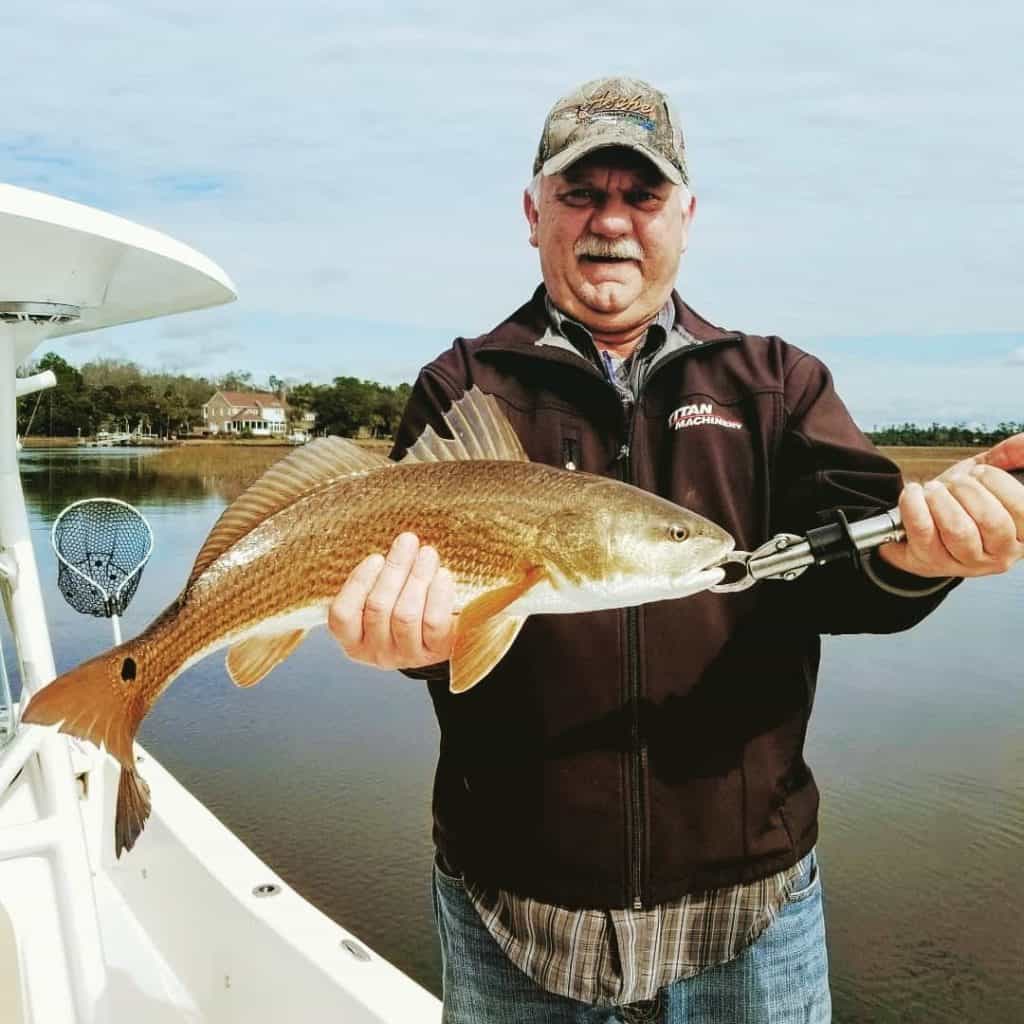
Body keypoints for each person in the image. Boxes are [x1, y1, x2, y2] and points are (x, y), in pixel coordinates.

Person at [328, 77, 1024, 1023]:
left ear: (685, 216)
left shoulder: (777, 382)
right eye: (580, 194)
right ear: (533, 214)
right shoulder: (462, 385)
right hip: (510, 909)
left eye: (641, 195)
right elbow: (429, 619)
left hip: (752, 911)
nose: (611, 222)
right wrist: (405, 645)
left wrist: (931, 550)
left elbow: (854, 567)